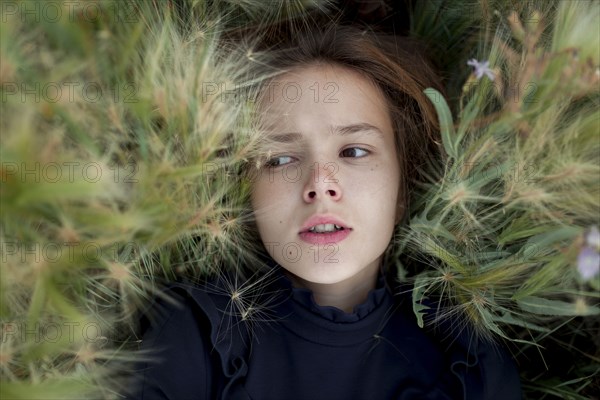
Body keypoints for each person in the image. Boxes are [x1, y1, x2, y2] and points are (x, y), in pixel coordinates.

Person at [128, 24, 522, 400]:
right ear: (245, 192)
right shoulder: (197, 334)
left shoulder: (468, 362)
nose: (320, 183)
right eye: (280, 158)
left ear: (403, 189)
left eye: (353, 151)